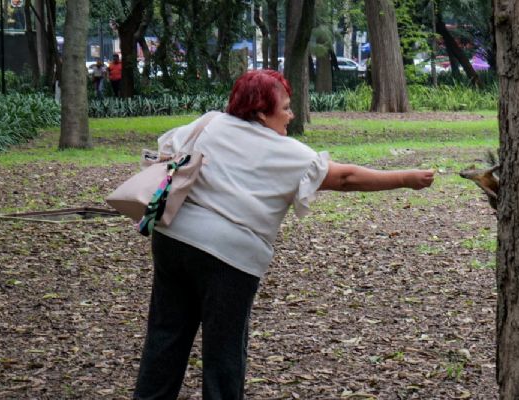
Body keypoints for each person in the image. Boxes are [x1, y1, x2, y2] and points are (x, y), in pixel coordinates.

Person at [132, 69, 434, 399]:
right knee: (224, 352)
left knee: (165, 337)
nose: (290, 115)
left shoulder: (210, 123)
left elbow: (166, 150)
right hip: (227, 257)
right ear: (261, 111)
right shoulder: (284, 151)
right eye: (286, 107)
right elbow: (345, 178)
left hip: (173, 239)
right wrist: (406, 177)